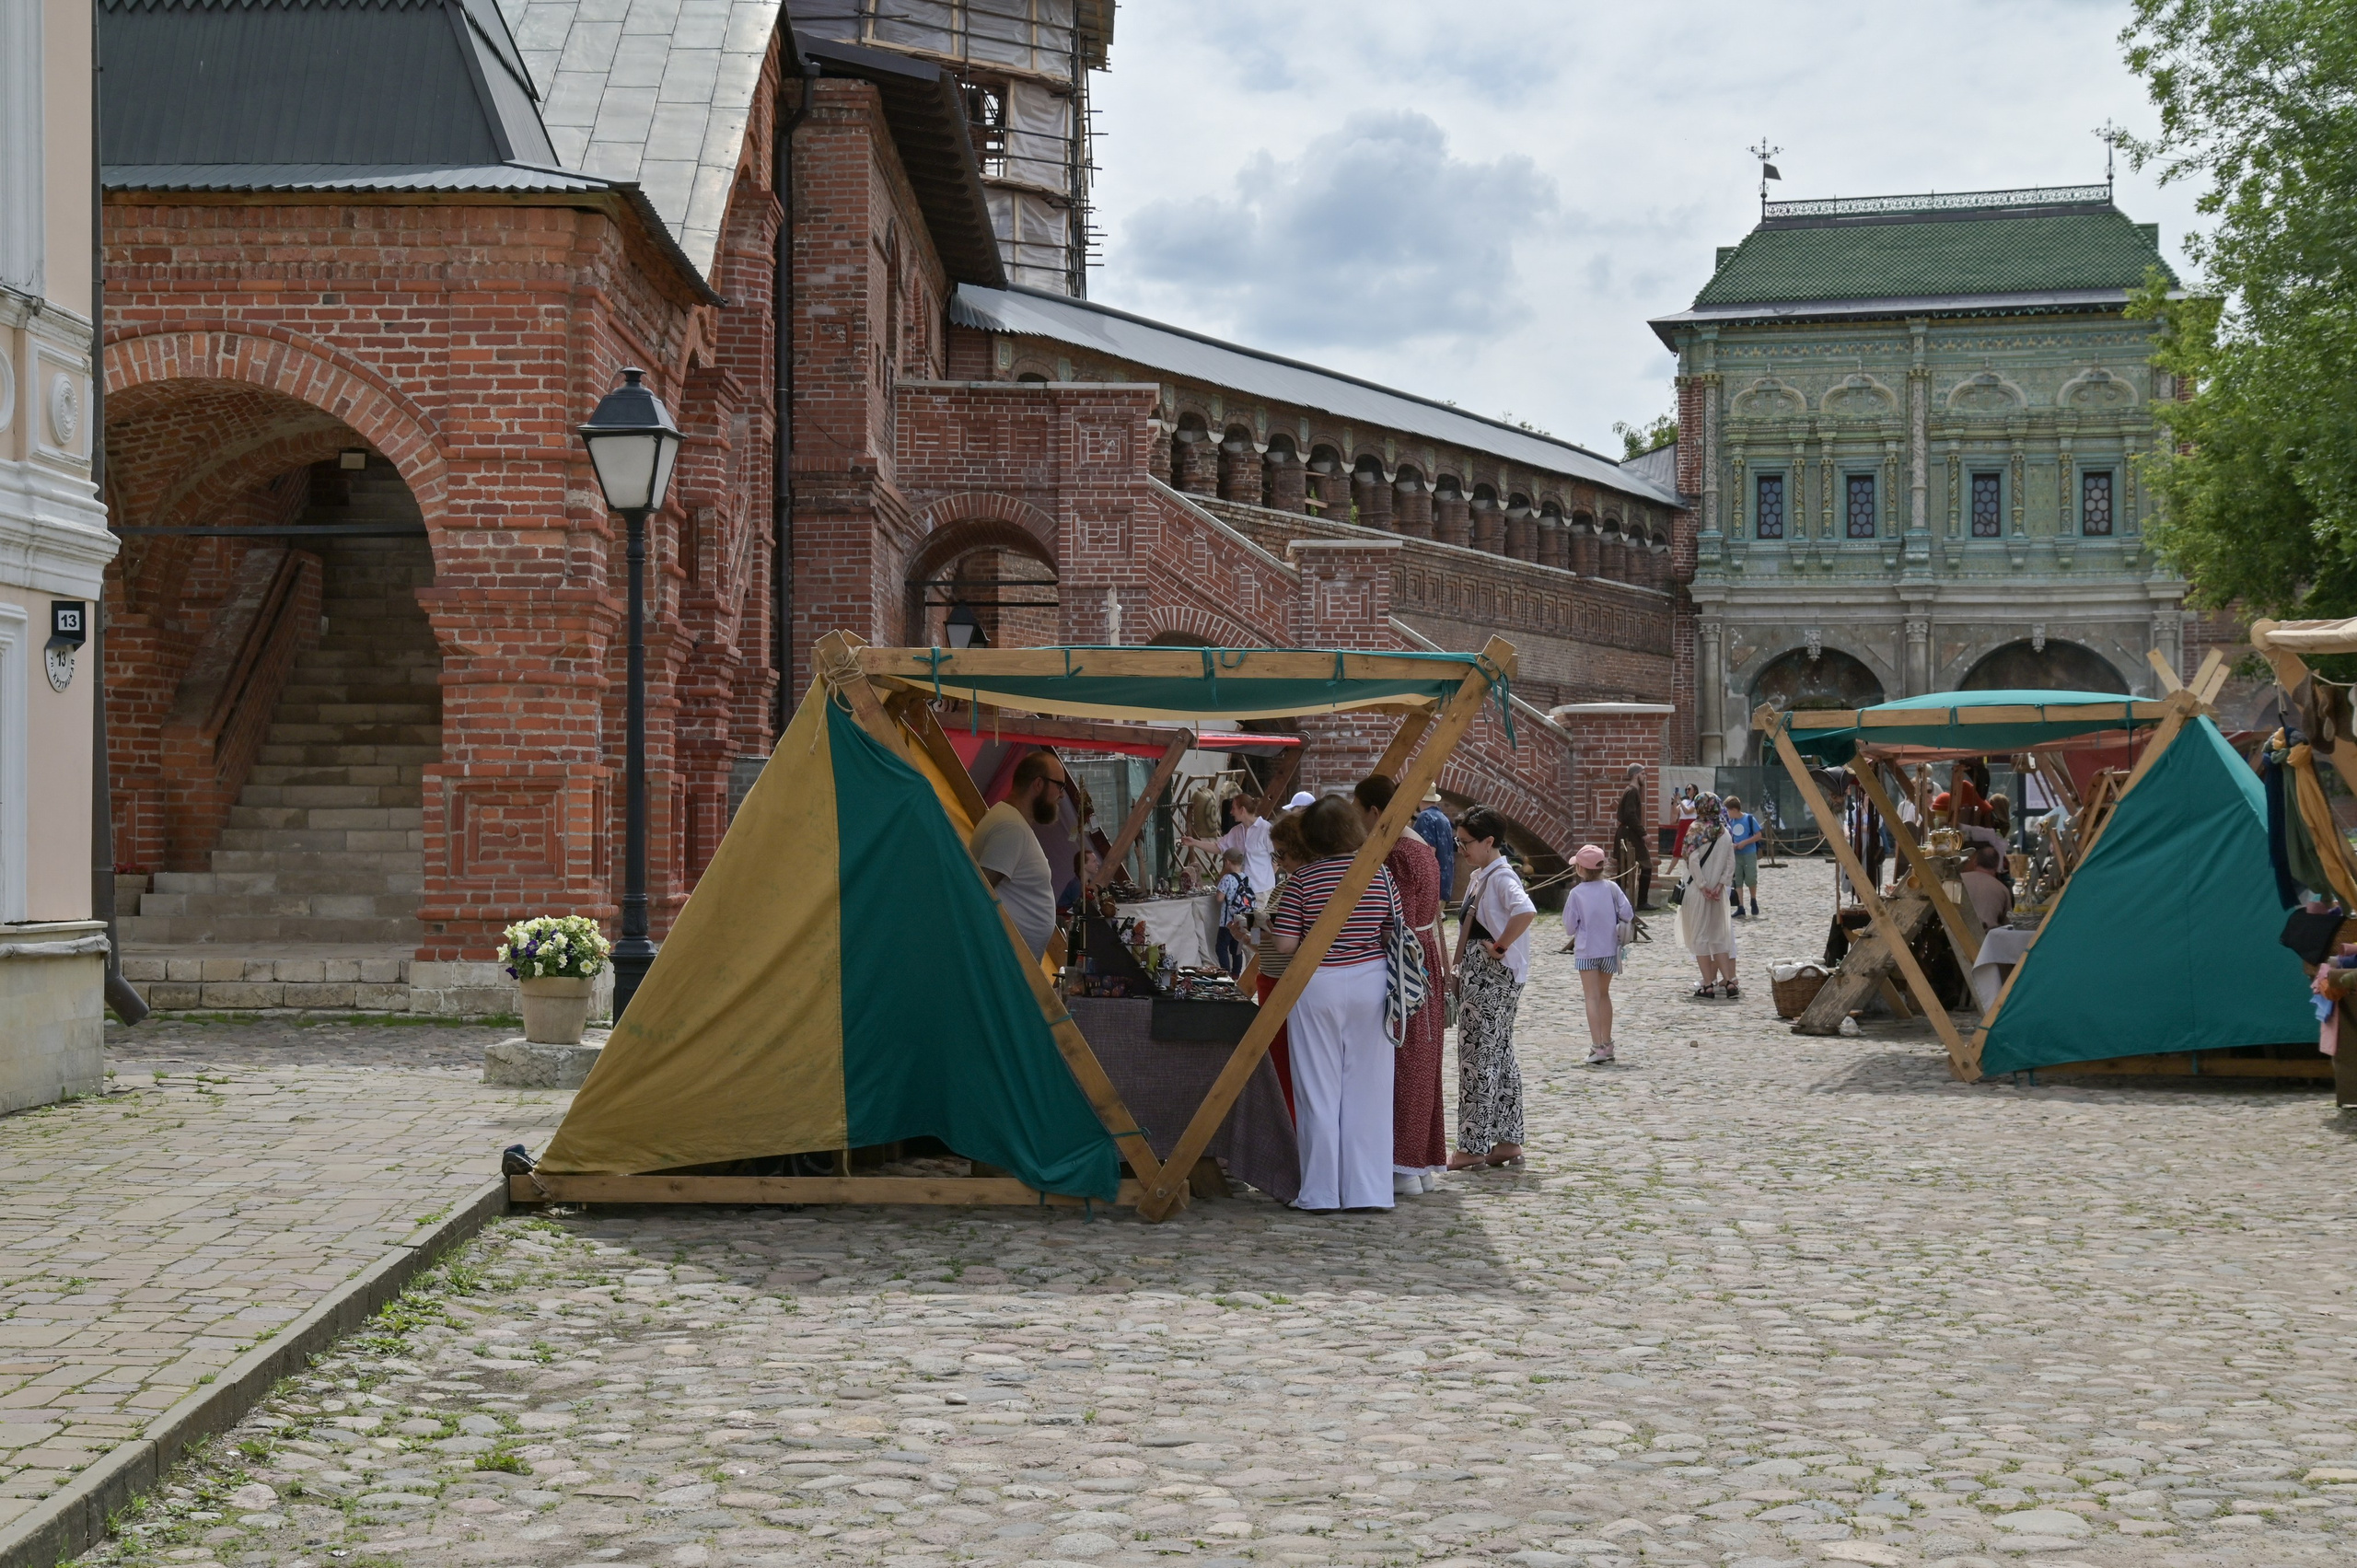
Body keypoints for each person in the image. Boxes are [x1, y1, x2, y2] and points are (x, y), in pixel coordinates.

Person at [1268, 796, 1403, 1212]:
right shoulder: (1378, 875)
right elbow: (1390, 932)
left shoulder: (1303, 880)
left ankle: (1321, 1192)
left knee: (1318, 1091)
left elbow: (1287, 945)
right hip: (1371, 981)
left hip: (1319, 983)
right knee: (1370, 1089)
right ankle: (1368, 1191)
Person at [1354, 775, 1446, 1197]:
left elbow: (1396, 923)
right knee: (1422, 1063)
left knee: (1404, 1061)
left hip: (1405, 964)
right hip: (1425, 956)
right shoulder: (1423, 848)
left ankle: (1403, 1165)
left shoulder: (1396, 852)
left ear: (1375, 812)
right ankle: (1420, 1164)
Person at [1451, 806, 1534, 1169]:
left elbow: (1525, 911)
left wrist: (1499, 947)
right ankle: (1506, 1140)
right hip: (1487, 978)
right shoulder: (1485, 873)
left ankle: (1472, 1147)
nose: (1461, 848)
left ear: (1489, 841)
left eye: (1466, 842)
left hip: (1489, 980)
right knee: (1498, 1055)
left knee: (1477, 1059)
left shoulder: (1500, 877)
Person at [971, 751, 1067, 958]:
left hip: (1009, 961)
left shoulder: (1012, 823)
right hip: (1003, 961)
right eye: (1059, 786)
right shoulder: (1010, 828)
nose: (1061, 795)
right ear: (1039, 784)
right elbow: (979, 893)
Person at [1256, 809, 1310, 1119]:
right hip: (1270, 977)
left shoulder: (1303, 885)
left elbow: (1293, 941)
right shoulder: (1284, 884)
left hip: (1286, 983)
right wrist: (1247, 932)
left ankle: (1289, 1125)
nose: (1278, 860)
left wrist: (1265, 923)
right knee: (1278, 1062)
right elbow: (1267, 939)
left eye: (1283, 853)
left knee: (1286, 1063)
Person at [1563, 843, 1635, 1065]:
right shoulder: (1612, 888)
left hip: (1587, 951)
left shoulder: (1576, 894)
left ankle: (1597, 1047)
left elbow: (1569, 926)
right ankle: (1608, 1042)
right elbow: (1628, 913)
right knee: (1604, 994)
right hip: (1609, 950)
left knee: (1591, 997)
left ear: (1580, 870)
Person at [1678, 791, 1738, 1000]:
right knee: (1719, 936)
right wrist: (1720, 884)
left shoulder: (1695, 830)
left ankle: (1708, 984)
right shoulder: (1724, 831)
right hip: (1718, 893)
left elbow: (1692, 860)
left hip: (1698, 892)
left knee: (1701, 937)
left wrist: (1703, 886)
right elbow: (1731, 863)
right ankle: (1730, 981)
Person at [1182, 794, 1274, 905]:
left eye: (1233, 808)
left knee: (1259, 922)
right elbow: (1218, 847)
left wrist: (1265, 879)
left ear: (1242, 810)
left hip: (1261, 891)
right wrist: (1194, 842)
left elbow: (1277, 859)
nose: (1231, 812)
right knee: (1242, 922)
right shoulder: (1236, 831)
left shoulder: (1265, 828)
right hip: (1242, 890)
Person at [1613, 762, 1653, 910]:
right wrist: (1644, 834)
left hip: (1629, 833)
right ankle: (1638, 902)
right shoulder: (1632, 791)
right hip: (1629, 835)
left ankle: (1624, 902)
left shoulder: (1632, 791)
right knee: (1630, 868)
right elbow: (1630, 815)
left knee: (1625, 869)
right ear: (1636, 775)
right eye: (1643, 774)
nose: (1645, 777)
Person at [1411, 784, 1457, 908]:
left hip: (1431, 887)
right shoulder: (1443, 818)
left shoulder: (1425, 817)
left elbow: (1428, 852)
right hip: (1444, 883)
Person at [1213, 849, 1252, 976]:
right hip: (1241, 920)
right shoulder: (1246, 878)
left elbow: (1219, 898)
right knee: (1237, 949)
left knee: (1221, 947)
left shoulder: (1227, 878)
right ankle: (1236, 974)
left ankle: (1226, 972)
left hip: (1227, 922)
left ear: (1227, 862)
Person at [1724, 793, 1763, 920]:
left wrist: (1744, 843)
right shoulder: (1730, 821)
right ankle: (1741, 906)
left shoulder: (1749, 819)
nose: (1727, 814)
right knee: (1738, 880)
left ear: (1734, 810)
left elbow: (1758, 835)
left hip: (1749, 853)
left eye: (1728, 811)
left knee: (1751, 878)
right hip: (1736, 854)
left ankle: (1753, 899)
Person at [1961, 844, 2013, 931]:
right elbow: (2007, 923)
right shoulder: (2002, 889)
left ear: (1975, 862)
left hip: (1956, 936)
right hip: (1988, 940)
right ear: (1996, 867)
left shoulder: (1957, 880)